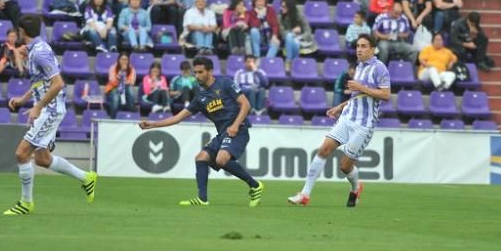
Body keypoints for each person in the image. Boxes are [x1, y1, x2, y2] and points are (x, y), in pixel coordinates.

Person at [139, 57, 265, 207]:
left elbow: (245, 104)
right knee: (201, 158)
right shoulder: (200, 98)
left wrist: (236, 125)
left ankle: (255, 185)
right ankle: (202, 199)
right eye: (195, 72)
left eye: (200, 72)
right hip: (223, 133)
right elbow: (178, 118)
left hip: (238, 129)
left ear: (210, 71)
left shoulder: (225, 83)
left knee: (221, 159)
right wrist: (153, 124)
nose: (197, 75)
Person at [4, 15, 98, 216]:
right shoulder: (36, 49)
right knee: (42, 159)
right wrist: (23, 99)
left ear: (22, 32)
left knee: (21, 154)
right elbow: (41, 82)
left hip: (51, 110)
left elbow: (58, 83)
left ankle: (26, 203)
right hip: (48, 109)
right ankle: (86, 177)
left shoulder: (39, 53)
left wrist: (38, 107)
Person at [288, 34, 389, 207]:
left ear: (372, 49)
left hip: (364, 124)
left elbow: (386, 95)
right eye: (358, 46)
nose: (359, 49)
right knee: (323, 150)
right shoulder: (360, 67)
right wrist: (340, 106)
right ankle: (305, 194)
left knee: (344, 166)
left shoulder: (380, 68)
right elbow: (358, 96)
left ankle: (356, 187)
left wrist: (361, 87)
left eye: (364, 46)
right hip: (347, 117)